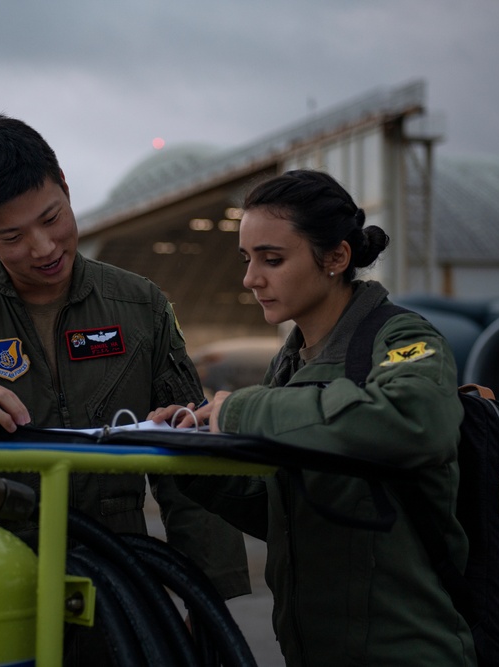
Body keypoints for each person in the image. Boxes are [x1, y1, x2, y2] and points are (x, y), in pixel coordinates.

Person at [0, 112, 250, 664]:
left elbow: (193, 457)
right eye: (11, 237)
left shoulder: (141, 309)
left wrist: (206, 599)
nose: (42, 247)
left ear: (65, 186)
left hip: (118, 591)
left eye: (52, 218)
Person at [151, 169, 477, 665]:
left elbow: (417, 420)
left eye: (273, 259)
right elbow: (293, 510)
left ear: (336, 258)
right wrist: (191, 453)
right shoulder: (292, 362)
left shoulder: (401, 337)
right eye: (247, 259)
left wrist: (240, 409)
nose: (250, 278)